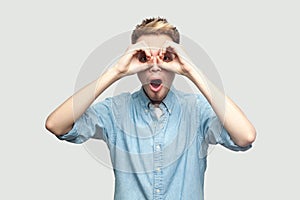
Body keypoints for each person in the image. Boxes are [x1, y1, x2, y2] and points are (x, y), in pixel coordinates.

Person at [45, 17, 256, 200]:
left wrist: (191, 70)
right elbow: (56, 124)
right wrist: (116, 71)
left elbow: (245, 136)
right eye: (144, 58)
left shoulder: (197, 110)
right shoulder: (115, 111)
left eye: (165, 58)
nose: (155, 67)